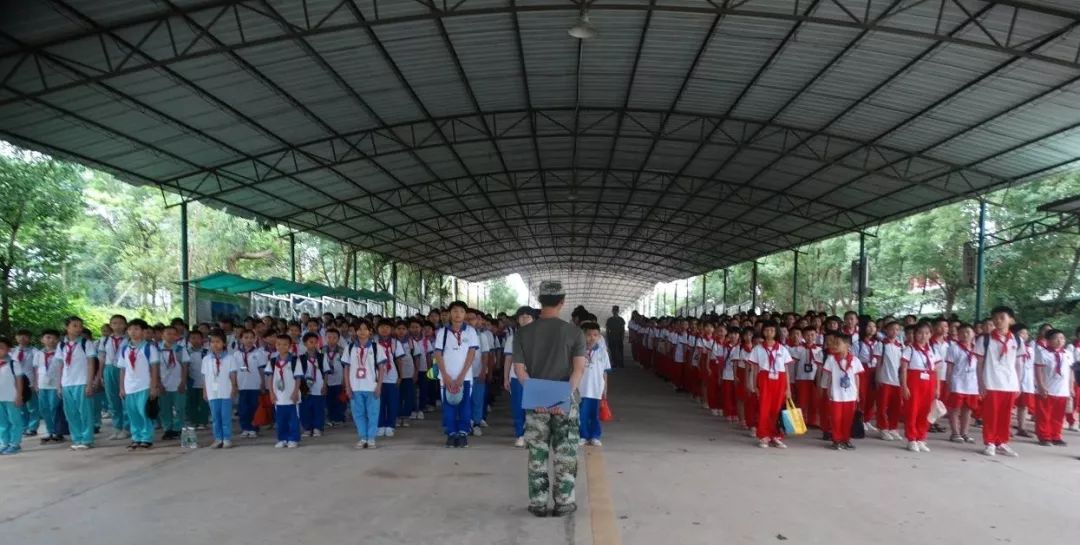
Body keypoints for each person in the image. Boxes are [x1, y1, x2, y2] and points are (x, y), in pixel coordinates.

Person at [512, 281, 587, 518]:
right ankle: (564, 502)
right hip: (565, 403)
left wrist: (539, 396)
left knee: (537, 453)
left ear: (539, 300)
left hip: (535, 403)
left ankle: (538, 503)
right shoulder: (575, 333)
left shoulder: (523, 333)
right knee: (565, 453)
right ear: (562, 301)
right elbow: (578, 370)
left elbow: (520, 370)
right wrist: (560, 398)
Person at [974, 306, 1021, 458]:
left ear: (1011, 320)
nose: (998, 320)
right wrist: (980, 383)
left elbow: (1018, 364)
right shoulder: (985, 339)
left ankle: (1001, 442)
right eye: (995, 318)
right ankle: (990, 442)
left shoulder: (1017, 340)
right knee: (990, 414)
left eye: (1002, 317)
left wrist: (1018, 383)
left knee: (1006, 415)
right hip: (991, 382)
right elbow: (979, 363)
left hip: (1010, 384)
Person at [434, 301, 479, 448]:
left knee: (465, 406)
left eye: (461, 311)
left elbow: (471, 354)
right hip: (446, 377)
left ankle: (463, 433)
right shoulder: (442, 332)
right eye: (454, 311)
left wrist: (461, 376)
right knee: (449, 405)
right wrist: (445, 376)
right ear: (449, 313)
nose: (458, 314)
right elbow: (438, 354)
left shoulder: (471, 332)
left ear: (465, 314)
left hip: (465, 377)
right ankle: (451, 433)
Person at [746, 321, 793, 449]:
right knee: (764, 409)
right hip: (764, 379)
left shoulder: (783, 349)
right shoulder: (758, 349)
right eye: (766, 330)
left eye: (772, 330)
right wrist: (755, 385)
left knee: (776, 410)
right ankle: (763, 436)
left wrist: (788, 388)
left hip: (780, 380)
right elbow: (755, 369)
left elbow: (786, 370)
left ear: (776, 332)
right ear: (763, 332)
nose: (769, 333)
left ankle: (776, 436)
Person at [59, 316, 99, 450]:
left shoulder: (86, 343)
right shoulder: (62, 345)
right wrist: (59, 384)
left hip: (81, 381)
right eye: (74, 325)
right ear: (67, 327)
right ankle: (76, 438)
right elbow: (60, 365)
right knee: (71, 413)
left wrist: (89, 383)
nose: (78, 328)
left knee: (85, 412)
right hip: (66, 383)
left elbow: (91, 363)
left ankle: (87, 439)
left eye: (80, 326)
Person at [900, 321, 940, 453]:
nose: (923, 336)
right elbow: (904, 369)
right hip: (914, 383)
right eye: (920, 333)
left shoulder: (933, 350)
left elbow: (937, 370)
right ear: (915, 334)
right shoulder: (909, 349)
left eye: (927, 333)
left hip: (929, 383)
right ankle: (912, 439)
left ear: (930, 334)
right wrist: (904, 386)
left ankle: (921, 438)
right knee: (912, 411)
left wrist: (937, 387)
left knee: (926, 412)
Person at [343, 321, 384, 449]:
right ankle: (363, 437)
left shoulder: (377, 347)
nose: (362, 331)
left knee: (373, 413)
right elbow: (346, 369)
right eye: (359, 329)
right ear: (355, 331)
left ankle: (371, 438)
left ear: (370, 331)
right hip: (355, 387)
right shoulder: (349, 348)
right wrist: (348, 387)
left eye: (365, 329)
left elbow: (382, 368)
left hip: (371, 387)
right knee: (358, 414)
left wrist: (379, 386)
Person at [822, 332, 862, 450]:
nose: (834, 345)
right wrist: (828, 390)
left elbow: (856, 377)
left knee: (848, 418)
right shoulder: (831, 359)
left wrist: (857, 393)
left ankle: (846, 439)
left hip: (850, 395)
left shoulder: (855, 360)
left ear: (847, 345)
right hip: (836, 395)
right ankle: (836, 439)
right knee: (836, 418)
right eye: (833, 343)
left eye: (837, 343)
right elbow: (829, 377)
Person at [1034, 329, 1073, 447]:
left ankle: (1056, 436)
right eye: (1056, 338)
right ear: (1048, 341)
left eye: (1062, 338)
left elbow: (1070, 372)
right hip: (1047, 389)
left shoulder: (1067, 354)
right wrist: (1041, 385)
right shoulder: (1043, 353)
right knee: (1044, 414)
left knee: (1058, 415)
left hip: (1062, 390)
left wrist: (1070, 388)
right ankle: (1044, 436)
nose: (1060, 340)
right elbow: (1038, 370)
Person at [504, 306, 536, 448]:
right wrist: (505, 378)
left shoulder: (540, 337)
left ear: (533, 319)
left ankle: (532, 434)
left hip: (534, 377)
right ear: (517, 320)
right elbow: (508, 359)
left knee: (533, 407)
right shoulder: (512, 338)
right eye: (522, 316)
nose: (525, 319)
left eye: (528, 316)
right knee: (518, 406)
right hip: (516, 377)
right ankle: (520, 434)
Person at [266, 334, 303, 448]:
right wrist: (271, 393)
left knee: (293, 419)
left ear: (290, 346)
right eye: (278, 344)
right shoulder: (272, 361)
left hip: (291, 396)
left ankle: (293, 438)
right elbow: (270, 378)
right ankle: (282, 438)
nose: (281, 347)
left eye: (285, 344)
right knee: (280, 419)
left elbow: (298, 378)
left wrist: (295, 392)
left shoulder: (295, 360)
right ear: (275, 345)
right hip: (278, 397)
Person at [203, 331, 238, 449]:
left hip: (226, 391)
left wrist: (234, 387)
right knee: (215, 417)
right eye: (212, 342)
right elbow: (205, 376)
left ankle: (227, 438)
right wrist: (205, 391)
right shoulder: (206, 359)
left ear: (224, 343)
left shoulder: (230, 358)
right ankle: (218, 438)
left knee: (225, 416)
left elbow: (233, 374)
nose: (215, 344)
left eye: (218, 342)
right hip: (212, 392)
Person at [578, 321, 611, 447]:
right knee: (582, 414)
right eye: (589, 335)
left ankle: (595, 436)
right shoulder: (579, 351)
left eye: (595, 335)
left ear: (599, 336)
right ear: (583, 335)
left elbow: (605, 373)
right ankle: (583, 435)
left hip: (597, 388)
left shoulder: (603, 352)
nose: (592, 338)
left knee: (595, 414)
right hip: (582, 388)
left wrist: (605, 388)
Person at [945, 324, 979, 444]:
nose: (965, 335)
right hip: (958, 382)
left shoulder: (976, 348)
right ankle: (955, 432)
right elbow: (949, 367)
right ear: (958, 335)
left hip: (972, 383)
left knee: (968, 409)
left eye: (968, 332)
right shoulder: (954, 348)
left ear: (973, 334)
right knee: (955, 409)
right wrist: (948, 382)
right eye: (962, 332)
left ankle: (964, 432)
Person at [158, 325, 189, 441]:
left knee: (180, 407)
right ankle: (168, 429)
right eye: (168, 333)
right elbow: (154, 368)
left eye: (173, 334)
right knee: (165, 408)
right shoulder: (157, 350)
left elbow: (185, 366)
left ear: (177, 336)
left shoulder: (181, 349)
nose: (170, 336)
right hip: (163, 384)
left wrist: (183, 381)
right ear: (162, 335)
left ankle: (178, 428)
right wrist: (159, 384)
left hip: (178, 384)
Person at [234, 329, 266, 438]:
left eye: (251, 337)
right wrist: (234, 384)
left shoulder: (259, 353)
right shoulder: (236, 354)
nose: (249, 340)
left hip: (255, 385)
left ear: (255, 339)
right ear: (241, 339)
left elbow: (261, 369)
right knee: (243, 409)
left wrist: (263, 383)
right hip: (242, 385)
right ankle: (245, 428)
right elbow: (234, 371)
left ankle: (254, 428)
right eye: (246, 337)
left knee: (254, 407)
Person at [33, 330, 64, 443]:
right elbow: (36, 369)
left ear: (58, 340)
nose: (51, 340)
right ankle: (49, 431)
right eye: (48, 337)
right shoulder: (38, 353)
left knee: (54, 407)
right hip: (42, 384)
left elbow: (62, 368)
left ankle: (58, 431)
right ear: (42, 340)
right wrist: (36, 384)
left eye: (54, 338)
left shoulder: (60, 353)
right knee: (44, 408)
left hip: (55, 384)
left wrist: (61, 383)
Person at [374, 321, 404, 438]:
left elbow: (399, 361)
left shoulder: (395, 343)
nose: (385, 329)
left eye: (387, 327)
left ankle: (390, 425)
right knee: (379, 403)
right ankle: (380, 425)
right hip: (378, 378)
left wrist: (400, 376)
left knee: (392, 403)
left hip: (392, 377)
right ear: (378, 329)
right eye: (382, 327)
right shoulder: (373, 343)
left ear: (391, 329)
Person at [298, 332, 329, 438]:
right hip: (305, 387)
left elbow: (325, 372)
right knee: (305, 408)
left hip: (319, 386)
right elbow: (299, 374)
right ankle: (307, 428)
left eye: (316, 342)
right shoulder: (301, 358)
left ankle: (317, 428)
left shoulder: (321, 357)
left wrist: (325, 385)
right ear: (305, 344)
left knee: (318, 408)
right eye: (311, 342)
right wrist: (301, 387)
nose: (314, 344)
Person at [0, 337, 27, 455]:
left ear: (8, 349)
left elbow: (19, 380)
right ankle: (4, 443)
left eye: (1, 348)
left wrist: (19, 395)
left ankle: (15, 443)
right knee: (2, 422)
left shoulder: (13, 363)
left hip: (11, 397)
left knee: (15, 420)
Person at [185, 330, 210, 430]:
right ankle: (193, 421)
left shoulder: (207, 352)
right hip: (191, 381)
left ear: (202, 340)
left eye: (198, 338)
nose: (195, 340)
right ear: (189, 340)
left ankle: (203, 421)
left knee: (204, 403)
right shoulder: (186, 352)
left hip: (204, 382)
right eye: (193, 338)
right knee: (192, 402)